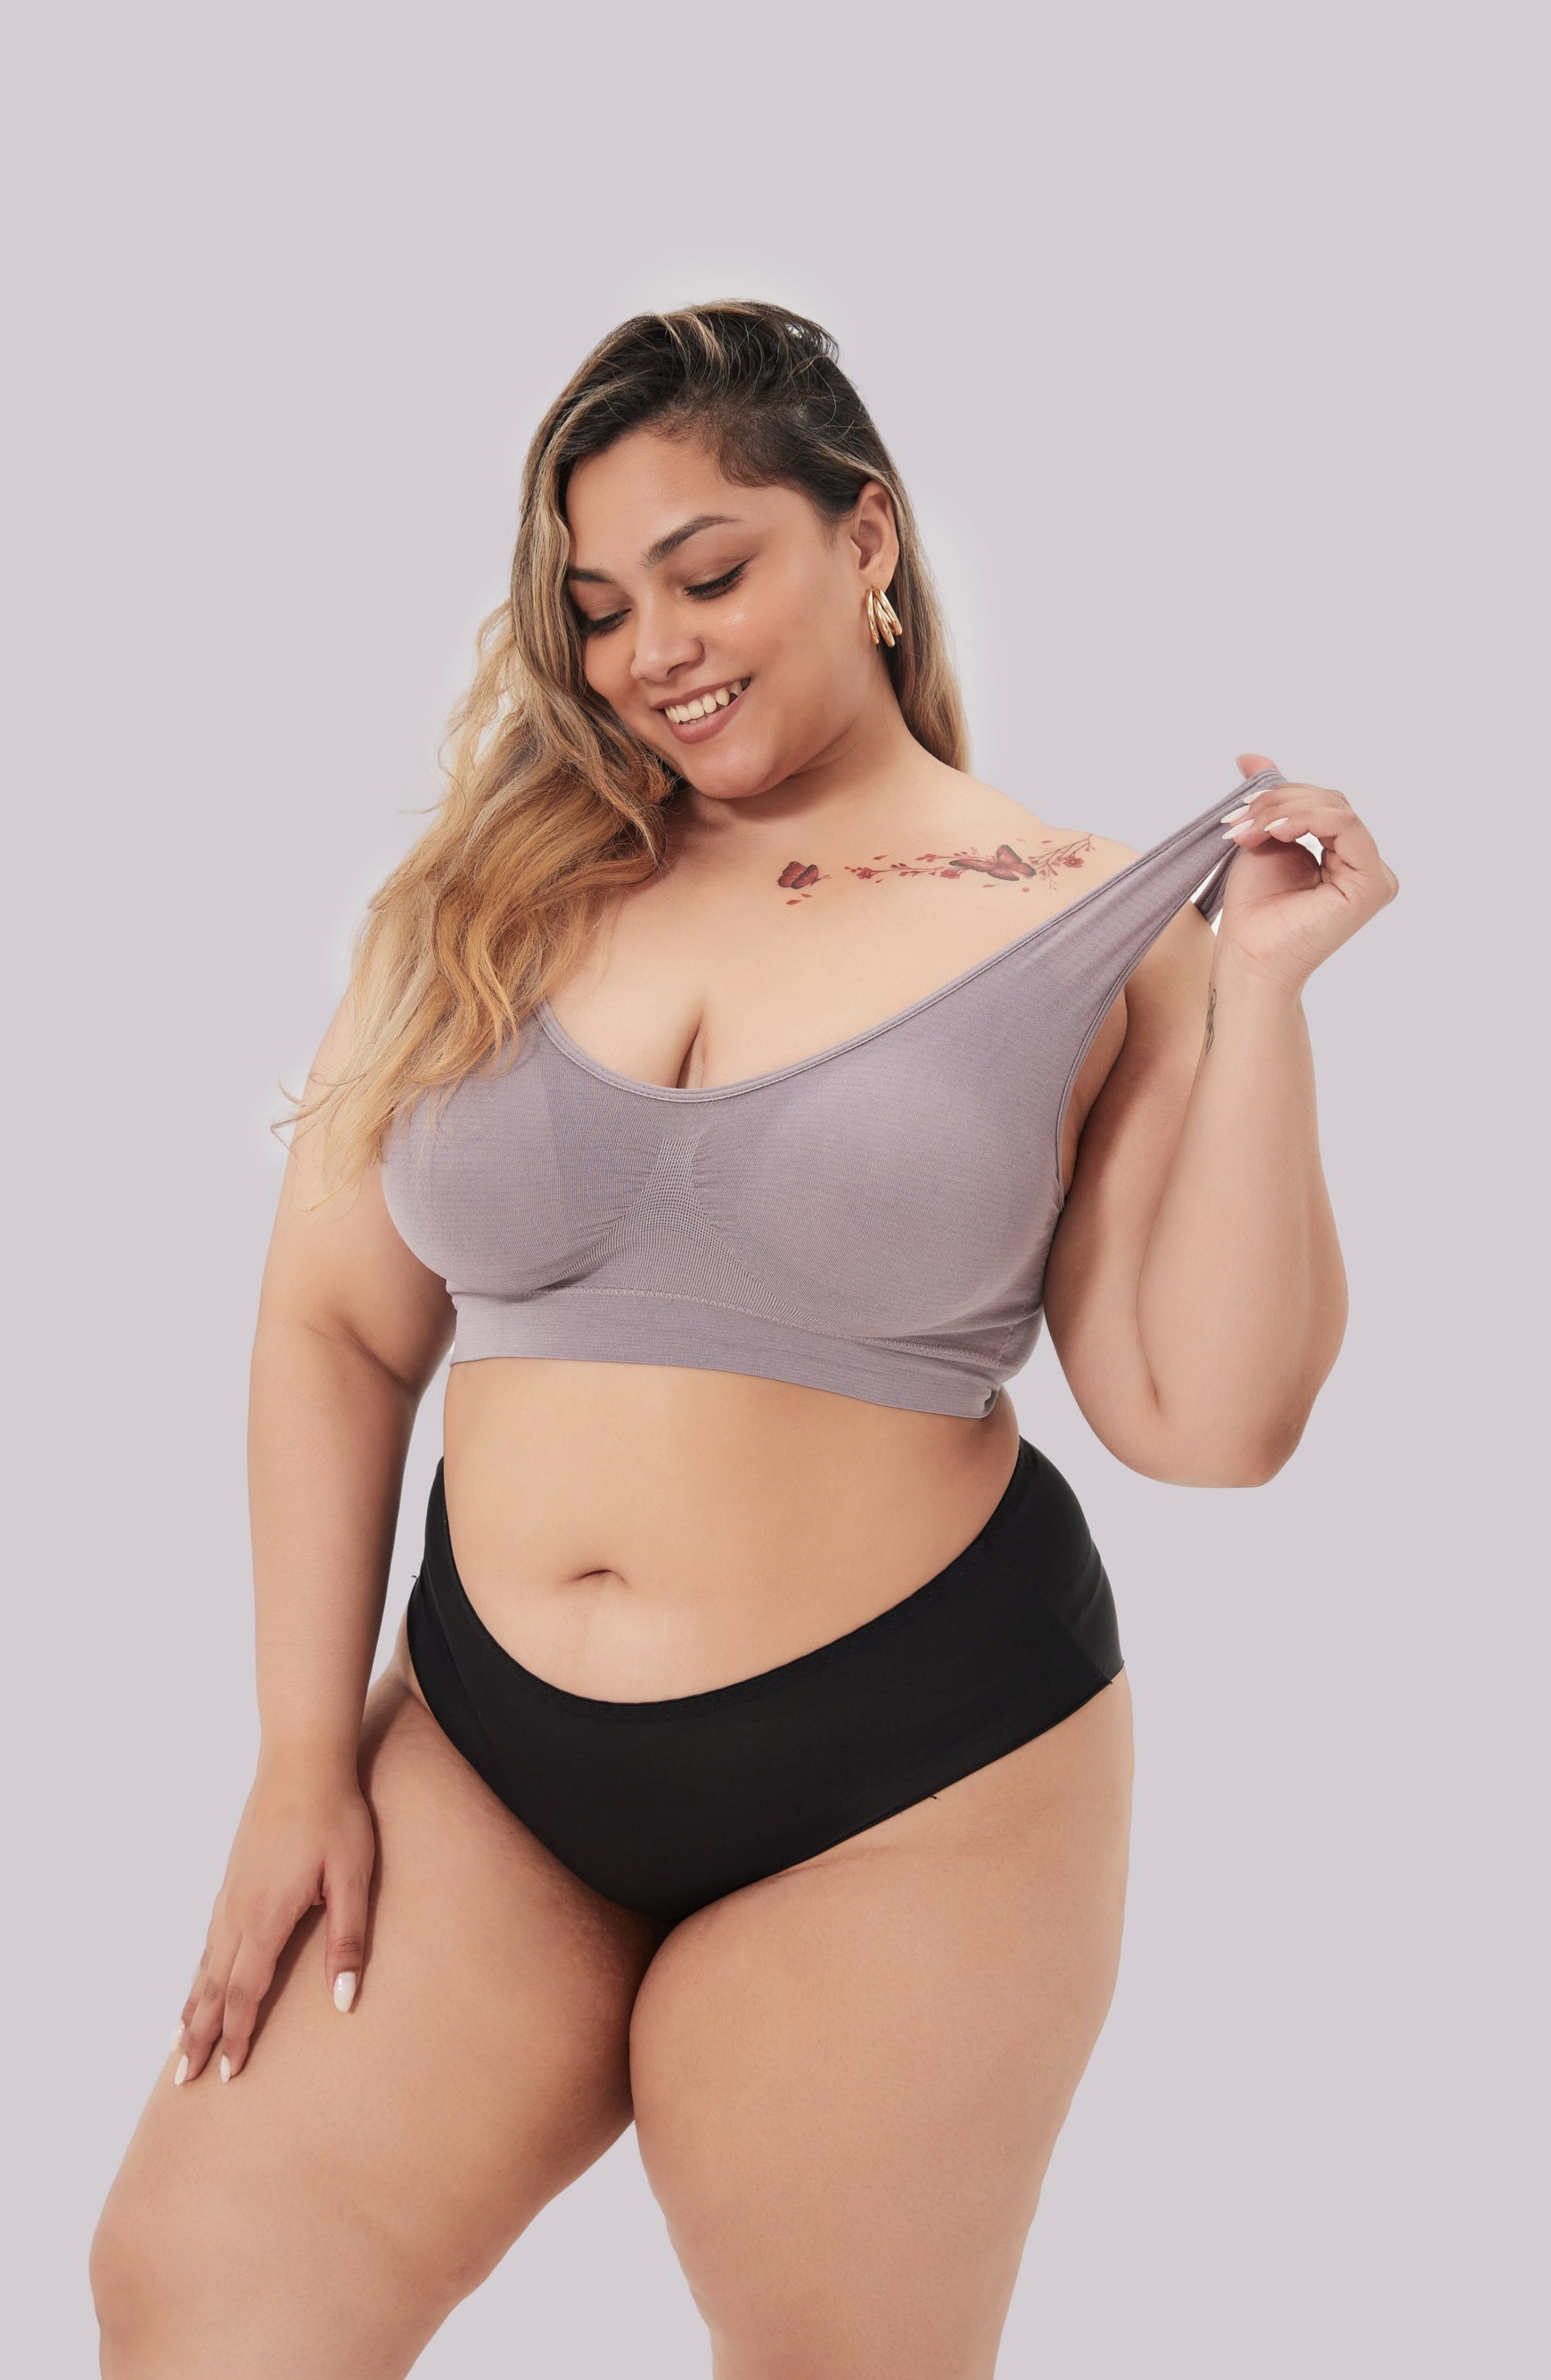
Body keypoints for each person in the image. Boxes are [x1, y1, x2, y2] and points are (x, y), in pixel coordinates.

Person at [89, 301, 1398, 2378]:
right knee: (201, 2292)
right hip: (484, 1753)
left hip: (912, 1776)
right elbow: (334, 1324)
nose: (654, 651)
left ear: (862, 536)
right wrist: (294, 1762)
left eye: (708, 574)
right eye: (602, 608)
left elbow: (1207, 1416)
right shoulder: (489, 893)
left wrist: (1257, 996)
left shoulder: (1083, 916)